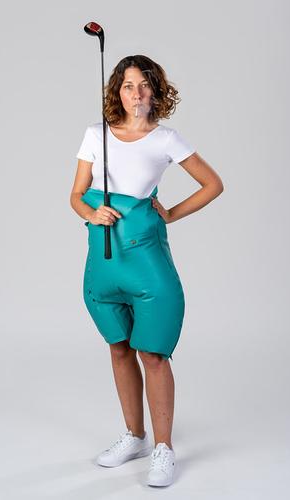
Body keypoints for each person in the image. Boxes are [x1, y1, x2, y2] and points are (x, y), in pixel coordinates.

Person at [70, 55, 223, 487]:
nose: (135, 93)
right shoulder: (95, 135)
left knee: (153, 353)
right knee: (119, 348)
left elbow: (213, 184)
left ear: (155, 91)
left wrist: (170, 213)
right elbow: (76, 195)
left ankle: (163, 448)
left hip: (146, 261)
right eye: (127, 85)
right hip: (104, 264)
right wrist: (91, 212)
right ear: (116, 91)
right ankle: (134, 437)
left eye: (143, 85)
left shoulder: (165, 139)